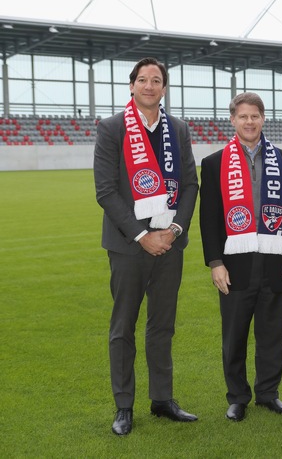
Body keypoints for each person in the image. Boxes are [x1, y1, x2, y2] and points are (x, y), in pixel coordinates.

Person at [94, 57, 199, 436]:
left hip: (170, 243)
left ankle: (162, 399)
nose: (150, 86)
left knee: (162, 326)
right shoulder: (112, 128)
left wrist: (172, 230)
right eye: (143, 79)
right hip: (128, 246)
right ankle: (124, 406)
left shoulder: (179, 129)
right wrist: (142, 235)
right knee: (123, 328)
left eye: (157, 80)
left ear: (164, 88)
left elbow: (190, 185)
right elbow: (106, 190)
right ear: (132, 86)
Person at [199, 92, 282, 422]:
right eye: (243, 116)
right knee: (234, 335)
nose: (249, 122)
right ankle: (237, 397)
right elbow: (209, 218)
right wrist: (215, 262)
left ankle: (268, 393)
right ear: (233, 120)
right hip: (235, 264)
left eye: (255, 116)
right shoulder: (214, 162)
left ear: (263, 119)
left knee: (272, 333)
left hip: (276, 261)